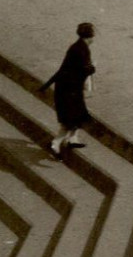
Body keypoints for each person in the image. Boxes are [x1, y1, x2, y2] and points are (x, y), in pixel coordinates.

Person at [38, 22, 95, 157]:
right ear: (90, 36)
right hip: (70, 91)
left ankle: (72, 139)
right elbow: (85, 70)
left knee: (78, 116)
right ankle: (55, 144)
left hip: (66, 88)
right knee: (71, 120)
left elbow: (63, 69)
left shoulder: (75, 47)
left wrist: (46, 85)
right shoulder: (83, 50)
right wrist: (93, 68)